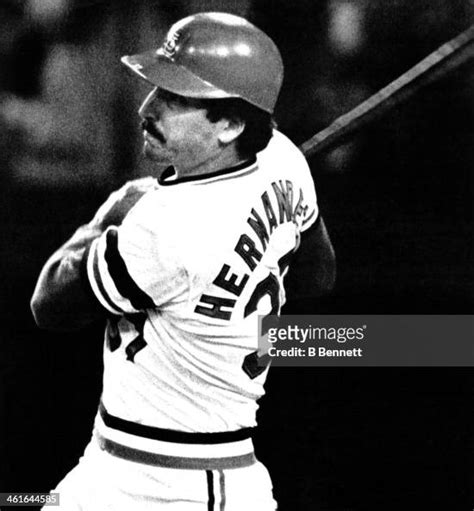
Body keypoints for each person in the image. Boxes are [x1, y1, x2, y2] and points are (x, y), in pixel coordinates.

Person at [31, 11, 335, 510]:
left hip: (166, 483)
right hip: (156, 464)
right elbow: (317, 276)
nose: (148, 108)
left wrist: (111, 212)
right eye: (155, 89)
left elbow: (48, 305)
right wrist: (235, 294)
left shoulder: (162, 224)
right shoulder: (284, 159)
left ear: (232, 124)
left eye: (176, 99)